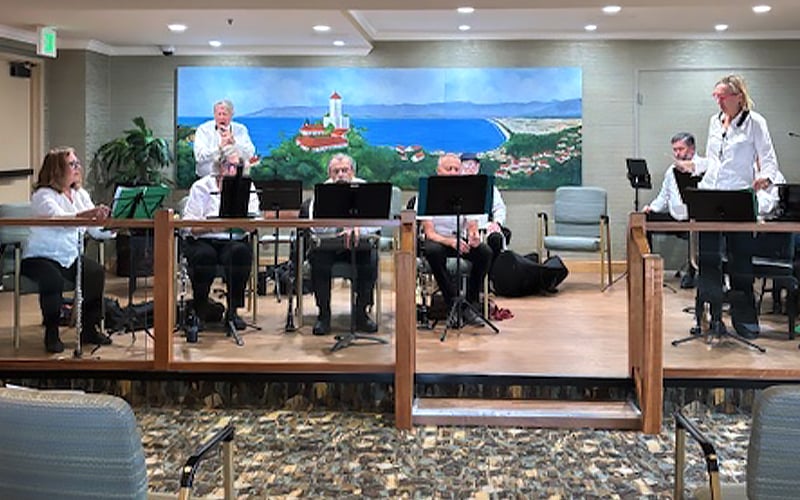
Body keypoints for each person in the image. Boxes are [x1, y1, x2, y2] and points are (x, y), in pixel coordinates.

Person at [676, 74, 784, 339]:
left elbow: (769, 161)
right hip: (711, 196)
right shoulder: (714, 122)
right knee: (709, 259)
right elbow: (714, 162)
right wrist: (695, 165)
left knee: (740, 261)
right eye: (716, 97)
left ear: (738, 96)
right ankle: (711, 318)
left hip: (739, 196)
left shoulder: (755, 123)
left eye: (723, 96)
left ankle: (745, 319)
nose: (719, 101)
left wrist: (765, 178)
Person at [21, 147, 113, 353]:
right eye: (72, 164)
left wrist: (111, 227)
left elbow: (94, 230)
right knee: (52, 280)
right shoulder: (43, 195)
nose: (77, 168)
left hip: (69, 257)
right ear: (57, 169)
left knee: (95, 272)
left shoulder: (80, 194)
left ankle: (88, 329)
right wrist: (91, 213)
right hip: (40, 257)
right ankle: (51, 334)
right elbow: (61, 220)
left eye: (77, 163)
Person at [181, 146, 259, 330]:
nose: (233, 170)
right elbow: (188, 225)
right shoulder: (201, 186)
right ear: (219, 165)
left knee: (240, 254)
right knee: (203, 257)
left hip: (233, 239)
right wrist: (211, 226)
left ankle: (233, 311)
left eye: (237, 166)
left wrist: (240, 224)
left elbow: (255, 221)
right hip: (203, 238)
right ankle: (200, 308)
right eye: (229, 165)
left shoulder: (248, 187)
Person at [307, 154, 379, 336]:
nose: (340, 174)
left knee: (370, 260)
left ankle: (361, 313)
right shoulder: (321, 191)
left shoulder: (364, 188)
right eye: (336, 171)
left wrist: (357, 228)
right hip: (330, 245)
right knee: (318, 260)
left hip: (357, 245)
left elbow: (377, 225)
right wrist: (339, 227)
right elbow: (315, 228)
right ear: (330, 174)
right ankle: (324, 315)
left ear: (352, 172)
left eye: (344, 170)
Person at [421, 153, 493, 327]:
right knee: (433, 251)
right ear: (438, 171)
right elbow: (429, 233)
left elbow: (472, 225)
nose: (453, 172)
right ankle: (452, 301)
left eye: (456, 169)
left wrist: (474, 236)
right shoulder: (427, 192)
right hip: (438, 240)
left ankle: (471, 304)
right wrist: (450, 241)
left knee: (484, 252)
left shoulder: (467, 191)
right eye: (448, 169)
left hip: (459, 240)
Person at [642, 132, 705, 288]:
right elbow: (663, 196)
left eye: (680, 149)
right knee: (644, 219)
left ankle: (692, 272)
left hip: (696, 218)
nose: (677, 153)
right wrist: (652, 208)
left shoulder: (704, 166)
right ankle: (649, 269)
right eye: (675, 150)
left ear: (691, 149)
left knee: (699, 230)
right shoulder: (671, 171)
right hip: (675, 216)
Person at [460, 152, 512, 268]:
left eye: (473, 165)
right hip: (462, 231)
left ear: (478, 168)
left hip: (485, 228)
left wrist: (496, 222)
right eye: (466, 165)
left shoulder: (489, 187)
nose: (470, 169)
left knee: (496, 239)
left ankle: (493, 277)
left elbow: (499, 208)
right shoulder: (455, 186)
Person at [193, 99, 256, 178]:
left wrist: (235, 143)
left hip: (234, 179)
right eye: (219, 114)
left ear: (231, 115)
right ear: (214, 114)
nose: (221, 118)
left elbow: (250, 154)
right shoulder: (203, 130)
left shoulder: (240, 129)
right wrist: (219, 148)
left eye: (225, 114)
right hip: (207, 179)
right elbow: (199, 157)